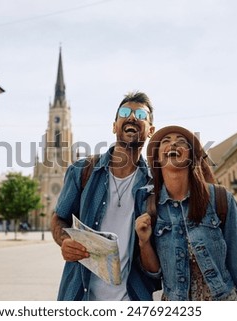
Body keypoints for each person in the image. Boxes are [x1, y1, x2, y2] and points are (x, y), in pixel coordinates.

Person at [50, 91, 160, 300]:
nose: (132, 117)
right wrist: (65, 240)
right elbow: (59, 217)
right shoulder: (82, 171)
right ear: (114, 125)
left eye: (141, 115)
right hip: (80, 297)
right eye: (125, 112)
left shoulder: (154, 184)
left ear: (151, 131)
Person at [135, 125, 237, 301]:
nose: (173, 145)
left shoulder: (220, 199)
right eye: (166, 141)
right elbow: (154, 273)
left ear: (191, 157)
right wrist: (144, 242)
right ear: (157, 158)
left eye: (181, 142)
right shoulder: (149, 207)